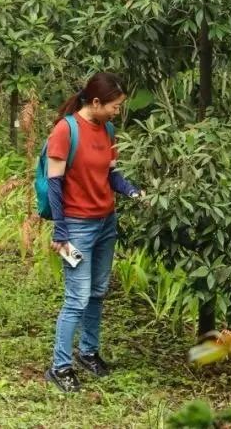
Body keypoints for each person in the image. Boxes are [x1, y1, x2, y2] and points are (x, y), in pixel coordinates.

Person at [43, 69, 144, 394]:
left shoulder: (108, 129)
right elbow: (54, 184)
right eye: (114, 106)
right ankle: (60, 366)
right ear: (96, 101)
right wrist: (61, 231)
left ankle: (88, 352)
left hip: (105, 223)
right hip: (76, 227)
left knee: (98, 292)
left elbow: (111, 175)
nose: (117, 112)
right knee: (77, 298)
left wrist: (132, 191)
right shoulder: (65, 130)